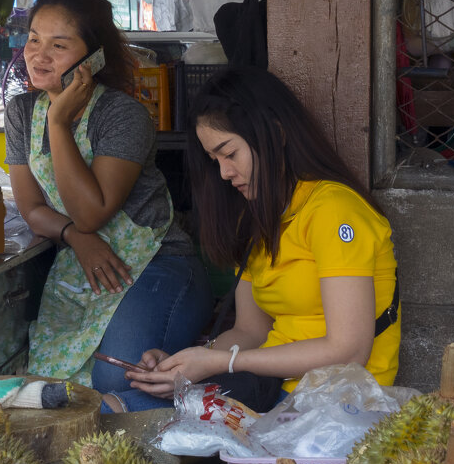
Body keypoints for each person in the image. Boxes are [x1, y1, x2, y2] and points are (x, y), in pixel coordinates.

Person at [124, 66, 401, 413]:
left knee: (127, 413)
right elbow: (249, 333)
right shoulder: (258, 216)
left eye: (230, 153)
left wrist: (222, 364)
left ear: (275, 132)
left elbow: (348, 351)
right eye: (215, 161)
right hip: (270, 389)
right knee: (119, 405)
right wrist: (186, 365)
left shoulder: (334, 210)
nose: (224, 173)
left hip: (337, 403)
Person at [4, 0, 213, 413]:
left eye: (59, 45)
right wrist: (76, 239)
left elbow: (91, 212)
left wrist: (60, 123)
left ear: (93, 58)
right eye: (34, 39)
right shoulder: (22, 112)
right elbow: (31, 208)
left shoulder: (122, 114)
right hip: (84, 263)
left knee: (113, 376)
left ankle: (206, 405)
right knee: (50, 384)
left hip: (157, 263)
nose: (38, 55)